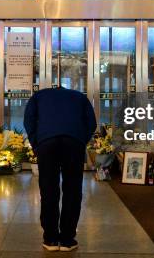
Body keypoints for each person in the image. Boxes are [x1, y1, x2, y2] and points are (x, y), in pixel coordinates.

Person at [24, 87, 97, 252]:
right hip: (73, 142)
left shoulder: (38, 96)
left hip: (47, 142)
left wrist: (37, 142)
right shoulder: (79, 97)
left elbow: (28, 120)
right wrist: (80, 140)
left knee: (49, 190)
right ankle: (67, 239)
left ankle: (50, 239)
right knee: (73, 190)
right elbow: (91, 122)